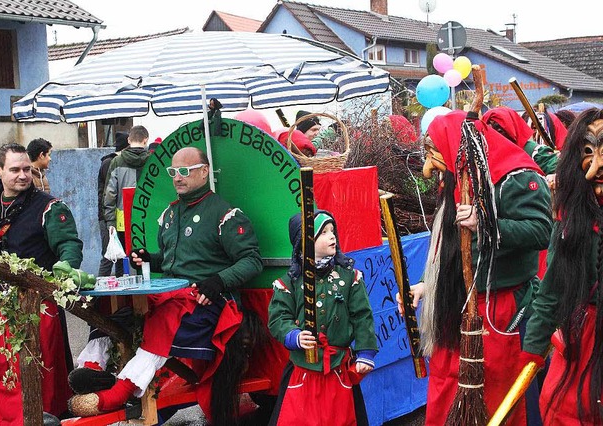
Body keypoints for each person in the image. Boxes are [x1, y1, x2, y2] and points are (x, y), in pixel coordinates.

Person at [68, 146, 263, 421]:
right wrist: (150, 259)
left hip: (208, 305)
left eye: (185, 171)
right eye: (173, 172)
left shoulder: (225, 214)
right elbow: (174, 261)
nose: (177, 178)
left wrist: (218, 281)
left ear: (204, 172)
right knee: (112, 305)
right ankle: (94, 369)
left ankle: (121, 391)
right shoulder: (169, 215)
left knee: (164, 316)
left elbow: (252, 260)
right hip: (174, 295)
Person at [399, 111, 552, 425]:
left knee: (498, 398)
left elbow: (541, 230)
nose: (429, 166)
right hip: (457, 310)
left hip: (499, 312)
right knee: (448, 390)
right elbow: (452, 252)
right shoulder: (457, 175)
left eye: (433, 153)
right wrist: (426, 286)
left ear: (455, 146)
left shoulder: (516, 176)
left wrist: (488, 224)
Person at [0, 143, 83, 424]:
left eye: (27, 169)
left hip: (39, 311)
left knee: (40, 376)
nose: (23, 175)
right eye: (15, 169)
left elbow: (69, 246)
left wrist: (64, 273)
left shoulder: (49, 207)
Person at [521, 108, 603, 424]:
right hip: (581, 343)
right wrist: (532, 351)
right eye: (589, 154)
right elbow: (551, 290)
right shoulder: (572, 222)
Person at [268, 210, 377, 425]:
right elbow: (278, 318)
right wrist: (293, 336)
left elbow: (362, 316)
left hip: (339, 370)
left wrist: (366, 352)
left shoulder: (350, 278)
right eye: (323, 232)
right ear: (305, 242)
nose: (332, 236)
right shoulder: (289, 283)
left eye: (332, 230)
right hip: (303, 372)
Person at [102, 125, 149, 276]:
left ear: (129, 140)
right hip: (146, 220)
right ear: (146, 140)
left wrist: (110, 221)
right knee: (145, 258)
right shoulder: (152, 160)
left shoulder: (117, 161)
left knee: (122, 261)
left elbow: (109, 194)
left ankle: (123, 296)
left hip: (122, 221)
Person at [483, 106, 559, 175]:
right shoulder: (484, 157)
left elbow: (558, 169)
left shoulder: (534, 151)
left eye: (500, 130)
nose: (496, 136)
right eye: (491, 131)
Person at [97, 131, 129, 277]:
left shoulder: (113, 162)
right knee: (109, 255)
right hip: (107, 218)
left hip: (117, 217)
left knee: (121, 256)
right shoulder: (110, 163)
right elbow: (109, 194)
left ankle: (121, 291)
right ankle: (99, 295)